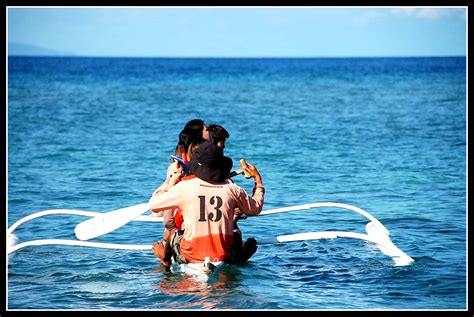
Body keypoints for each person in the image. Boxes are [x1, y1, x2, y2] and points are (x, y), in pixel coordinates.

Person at [149, 141, 265, 266]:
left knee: (173, 233)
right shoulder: (232, 188)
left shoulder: (184, 187)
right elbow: (256, 208)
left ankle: (166, 259)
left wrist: (172, 182)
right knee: (235, 233)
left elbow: (153, 205)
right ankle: (240, 256)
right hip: (223, 254)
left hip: (191, 255)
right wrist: (257, 179)